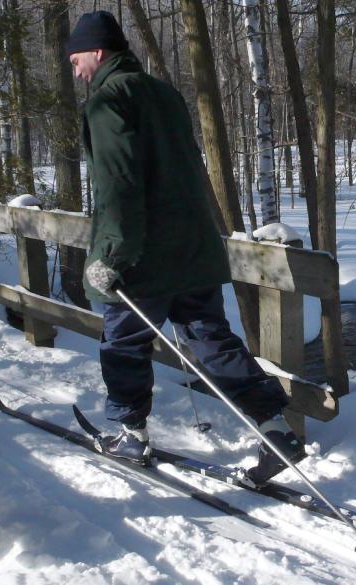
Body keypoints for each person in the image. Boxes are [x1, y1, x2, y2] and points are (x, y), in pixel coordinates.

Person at [64, 11, 304, 482]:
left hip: (143, 256)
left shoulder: (106, 101)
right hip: (195, 247)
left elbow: (119, 185)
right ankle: (276, 428)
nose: (76, 71)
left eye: (76, 61)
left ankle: (131, 437)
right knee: (210, 339)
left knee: (123, 344)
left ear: (98, 51)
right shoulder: (163, 93)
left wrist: (110, 256)